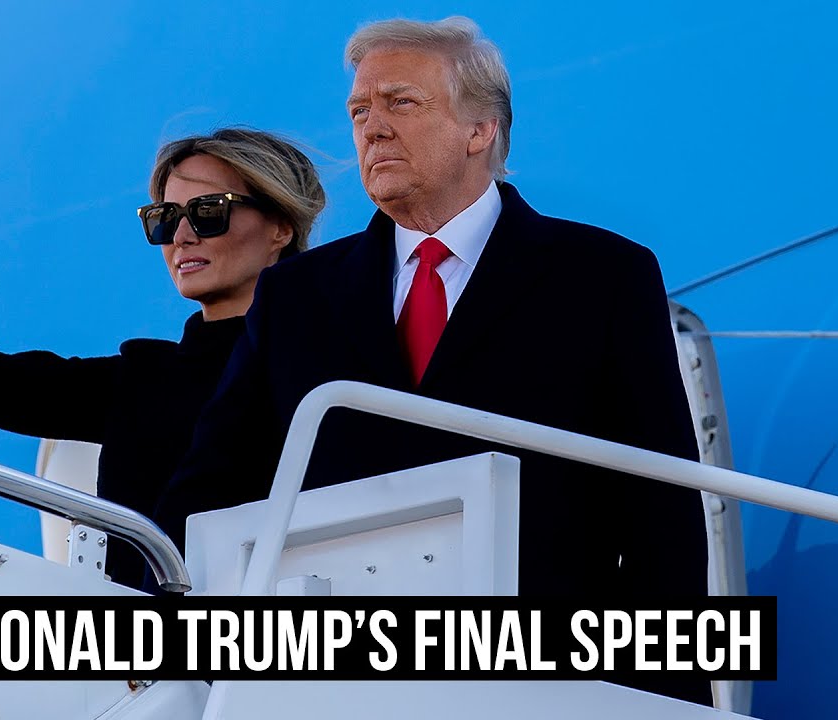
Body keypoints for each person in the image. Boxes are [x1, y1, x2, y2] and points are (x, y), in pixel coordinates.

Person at [155, 18, 710, 705]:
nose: (373, 129)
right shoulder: (296, 295)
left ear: (480, 129)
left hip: (543, 683)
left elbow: (661, 508)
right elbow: (210, 487)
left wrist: (664, 701)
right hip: (334, 685)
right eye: (360, 111)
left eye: (401, 103)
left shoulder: (602, 275)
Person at [0, 58, 325, 589]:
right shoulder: (140, 379)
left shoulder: (333, 354)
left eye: (209, 211)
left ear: (280, 227)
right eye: (164, 219)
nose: (182, 236)